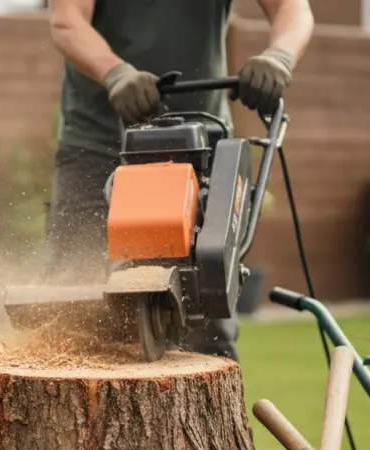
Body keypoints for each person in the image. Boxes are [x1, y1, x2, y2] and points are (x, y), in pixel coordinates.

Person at [44, 0, 314, 361]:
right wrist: (116, 74)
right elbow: (66, 22)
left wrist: (280, 56)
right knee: (77, 308)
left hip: (201, 146)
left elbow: (293, 9)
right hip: (98, 145)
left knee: (205, 316)